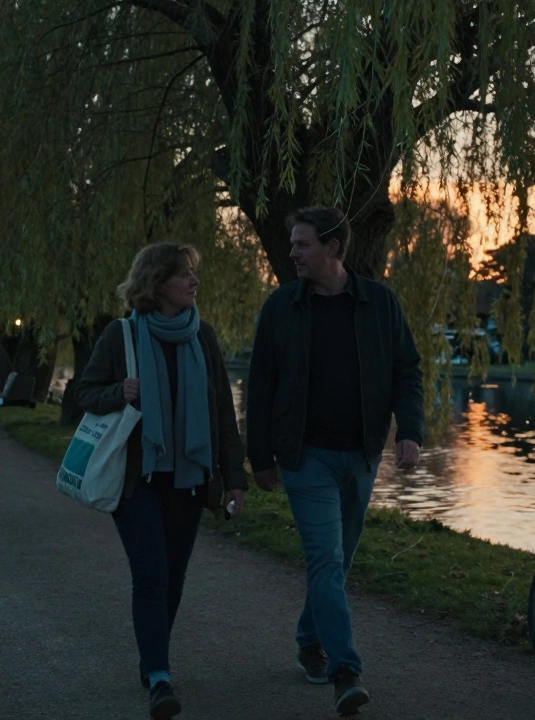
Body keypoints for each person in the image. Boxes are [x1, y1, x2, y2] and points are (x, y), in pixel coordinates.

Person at [245, 207, 424, 717]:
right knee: (325, 560)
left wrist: (409, 432)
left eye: (302, 245)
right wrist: (260, 455)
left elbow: (407, 369)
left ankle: (308, 638)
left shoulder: (378, 303)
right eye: (293, 244)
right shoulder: (282, 306)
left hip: (362, 454)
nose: (293, 253)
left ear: (333, 248)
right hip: (305, 457)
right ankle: (344, 669)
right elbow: (261, 384)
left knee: (337, 562)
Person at [75, 242, 247, 720]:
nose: (194, 282)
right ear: (156, 284)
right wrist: (119, 391)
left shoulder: (203, 337)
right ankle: (159, 677)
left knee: (172, 578)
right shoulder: (121, 335)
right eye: (184, 275)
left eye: (193, 273)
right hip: (137, 479)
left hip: (189, 478)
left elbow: (221, 415)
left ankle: (152, 659)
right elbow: (83, 393)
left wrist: (235, 478)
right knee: (150, 574)